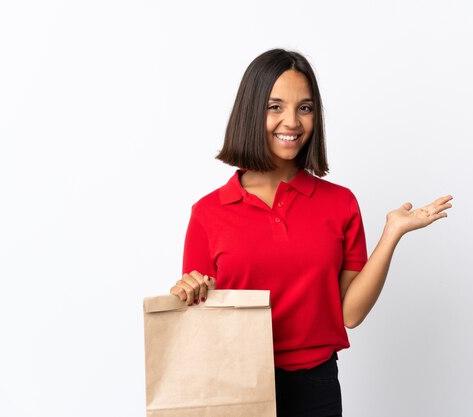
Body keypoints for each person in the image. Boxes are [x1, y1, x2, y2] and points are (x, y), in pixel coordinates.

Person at [169, 48, 453, 417]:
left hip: (316, 385)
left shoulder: (340, 204)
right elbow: (198, 319)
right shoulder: (209, 213)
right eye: (275, 107)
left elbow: (349, 313)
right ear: (250, 112)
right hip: (234, 384)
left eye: (305, 107)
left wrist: (392, 234)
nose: (292, 121)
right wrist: (186, 291)